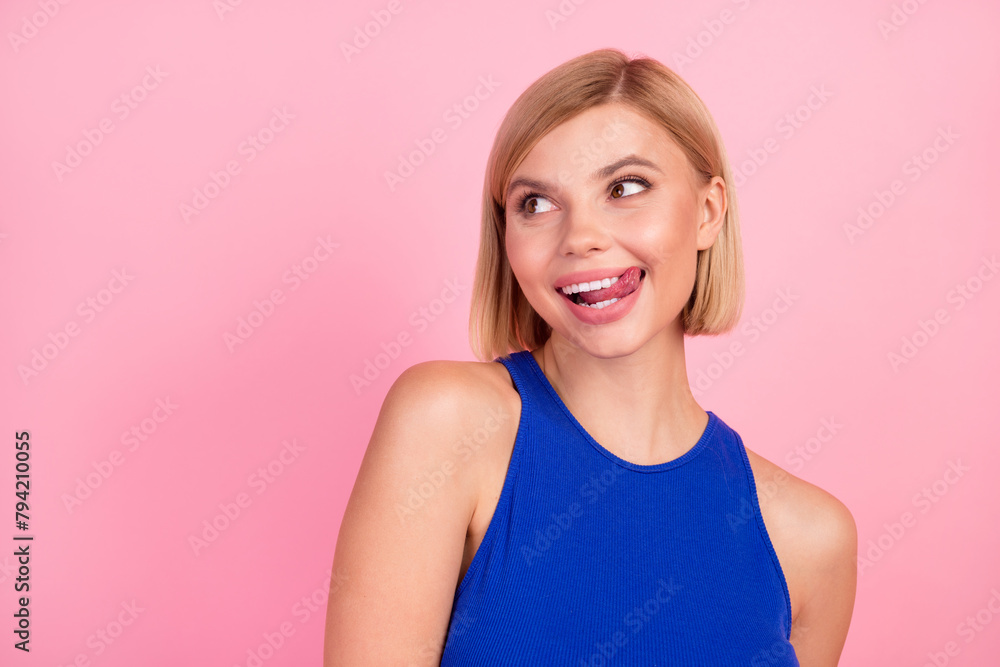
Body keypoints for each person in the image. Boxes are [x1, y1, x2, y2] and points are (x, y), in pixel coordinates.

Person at [324, 48, 857, 666]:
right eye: (537, 204)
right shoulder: (450, 424)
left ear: (708, 212)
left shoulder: (810, 539)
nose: (580, 236)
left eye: (626, 187)